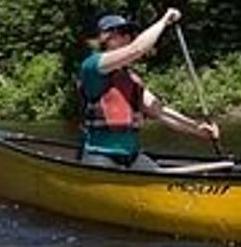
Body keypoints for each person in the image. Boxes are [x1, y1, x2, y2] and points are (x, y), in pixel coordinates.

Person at [78, 9, 222, 169]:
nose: (129, 37)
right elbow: (136, 49)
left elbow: (160, 112)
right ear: (106, 37)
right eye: (123, 32)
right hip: (100, 155)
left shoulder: (131, 79)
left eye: (131, 33)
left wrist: (197, 129)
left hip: (131, 156)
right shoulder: (93, 65)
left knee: (157, 175)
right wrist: (164, 21)